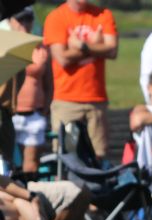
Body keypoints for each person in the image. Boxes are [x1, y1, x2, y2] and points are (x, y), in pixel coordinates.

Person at [43, 0, 119, 159]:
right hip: (66, 99)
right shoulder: (56, 17)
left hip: (96, 99)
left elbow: (112, 50)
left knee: (99, 154)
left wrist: (82, 46)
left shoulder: (103, 14)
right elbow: (62, 58)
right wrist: (96, 46)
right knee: (65, 154)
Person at [8, 8, 53, 173]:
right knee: (8, 163)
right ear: (11, 22)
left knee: (31, 164)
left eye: (28, 19)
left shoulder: (40, 48)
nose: (24, 24)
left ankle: (29, 194)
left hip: (34, 113)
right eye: (20, 20)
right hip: (10, 115)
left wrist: (45, 109)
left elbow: (49, 83)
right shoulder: (6, 46)